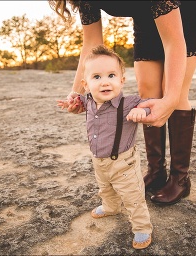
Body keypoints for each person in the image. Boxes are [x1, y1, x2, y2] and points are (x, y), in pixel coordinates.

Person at [50, 0, 196, 205]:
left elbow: (174, 41)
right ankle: (156, 172)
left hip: (189, 10)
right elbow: (92, 44)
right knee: (147, 91)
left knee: (176, 93)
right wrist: (77, 93)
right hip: (147, 16)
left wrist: (170, 99)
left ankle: (180, 179)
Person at [57, 45, 153, 249]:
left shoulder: (129, 103)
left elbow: (150, 105)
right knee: (105, 187)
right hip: (98, 159)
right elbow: (79, 100)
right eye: (97, 77)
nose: (105, 82)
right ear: (86, 83)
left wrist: (141, 112)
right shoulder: (89, 100)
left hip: (124, 163)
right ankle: (110, 206)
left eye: (111, 75)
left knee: (133, 196)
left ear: (121, 80)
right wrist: (71, 103)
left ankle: (142, 227)